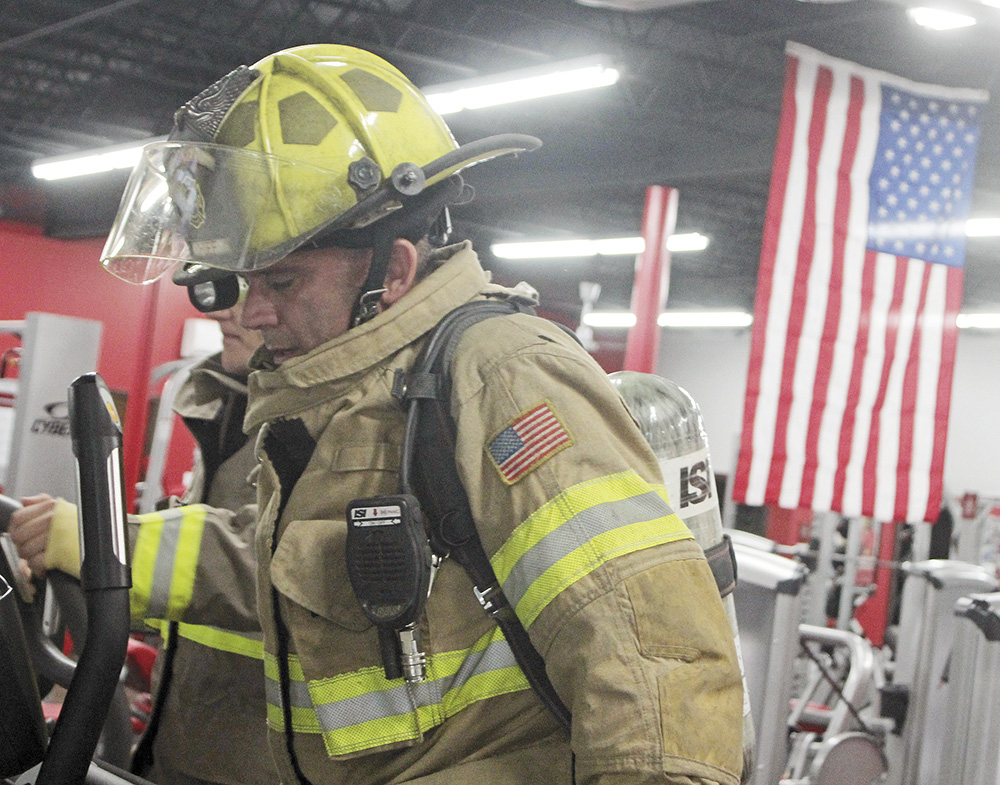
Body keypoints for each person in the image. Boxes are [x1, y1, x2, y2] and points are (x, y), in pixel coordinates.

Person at [98, 43, 745, 785]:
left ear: (394, 270)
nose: (256, 310)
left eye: (282, 278)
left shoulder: (501, 377)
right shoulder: (336, 402)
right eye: (246, 281)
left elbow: (658, 665)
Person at [9, 302, 279, 785]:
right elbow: (192, 594)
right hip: (187, 746)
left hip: (268, 764)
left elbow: (273, 561)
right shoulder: (234, 410)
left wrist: (100, 547)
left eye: (275, 280)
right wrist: (72, 571)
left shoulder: (334, 422)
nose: (224, 313)